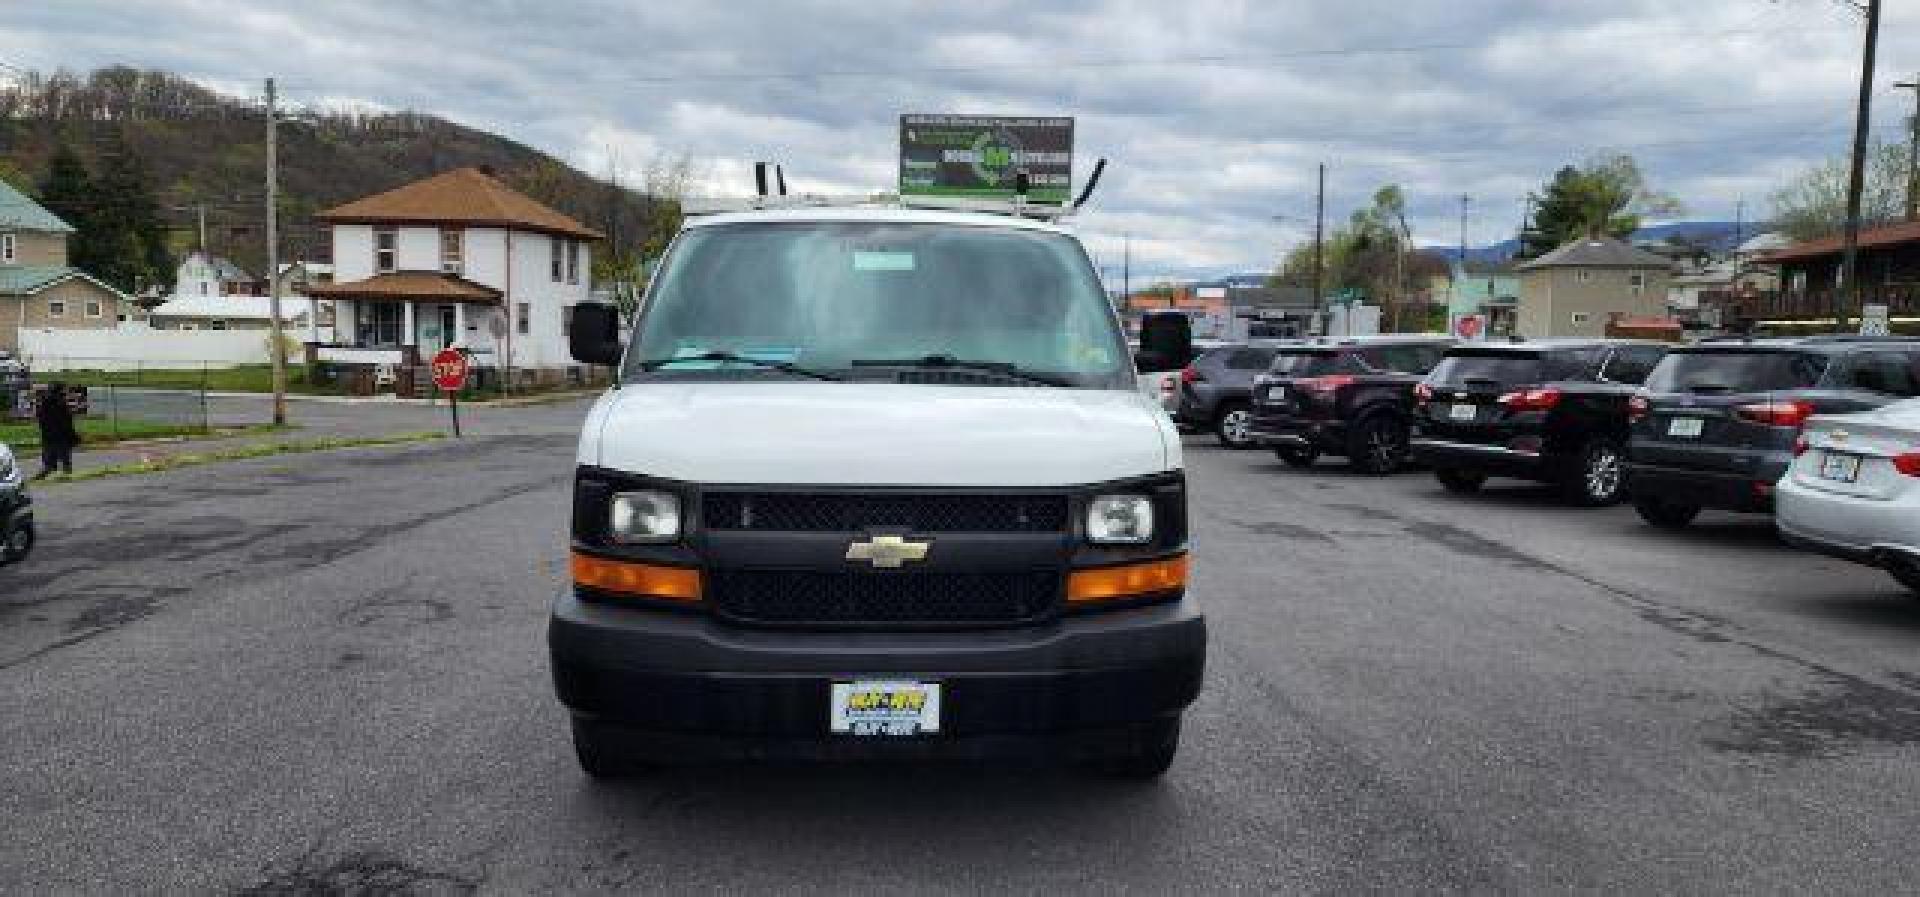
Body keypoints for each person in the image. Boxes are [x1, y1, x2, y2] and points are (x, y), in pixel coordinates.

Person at [34, 382, 78, 478]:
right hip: (60, 433)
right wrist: (72, 434)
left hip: (48, 433)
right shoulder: (61, 403)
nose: (66, 393)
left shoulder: (45, 401)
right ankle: (66, 470)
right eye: (64, 390)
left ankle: (49, 469)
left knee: (49, 452)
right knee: (63, 452)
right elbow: (66, 420)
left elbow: (40, 417)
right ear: (60, 390)